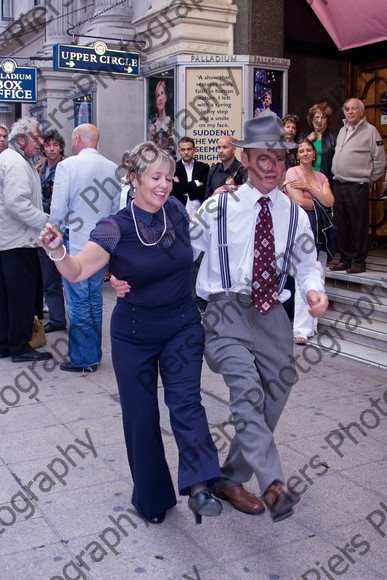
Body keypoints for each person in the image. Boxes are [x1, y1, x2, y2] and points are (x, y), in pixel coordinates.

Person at [40, 141, 222, 525]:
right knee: (140, 416)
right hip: (134, 332)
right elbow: (75, 271)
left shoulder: (175, 210)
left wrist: (219, 197)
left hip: (182, 325)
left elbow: (197, 240)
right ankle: (152, 499)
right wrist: (58, 250)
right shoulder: (114, 227)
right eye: (155, 177)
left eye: (169, 177)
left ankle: (201, 485)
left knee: (187, 403)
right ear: (135, 178)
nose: (165, 185)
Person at [191, 115, 328, 522]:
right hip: (226, 310)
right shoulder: (220, 205)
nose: (270, 165)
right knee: (247, 391)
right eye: (262, 157)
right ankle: (273, 483)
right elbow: (179, 245)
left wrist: (313, 289)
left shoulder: (293, 213)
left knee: (275, 395)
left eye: (278, 157)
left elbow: (306, 264)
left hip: (272, 315)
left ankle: (230, 478)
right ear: (246, 158)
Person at [49, 123, 121, 372]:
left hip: (76, 243)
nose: (71, 143)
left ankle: (82, 359)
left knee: (78, 302)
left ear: (78, 139)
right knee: (94, 300)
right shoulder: (112, 168)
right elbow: (115, 211)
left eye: (72, 138)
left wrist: (52, 236)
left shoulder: (67, 166)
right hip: (101, 243)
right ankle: (94, 355)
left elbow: (58, 208)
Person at [0, 117, 53, 363]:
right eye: (37, 137)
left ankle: (6, 344)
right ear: (21, 140)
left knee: (7, 298)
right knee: (21, 298)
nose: (40, 142)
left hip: (10, 242)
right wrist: (45, 220)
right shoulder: (16, 163)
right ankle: (20, 347)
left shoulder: (15, 160)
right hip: (18, 243)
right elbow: (16, 203)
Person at [283, 138, 335, 344]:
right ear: (297, 155)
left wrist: (308, 187)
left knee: (318, 276)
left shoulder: (321, 176)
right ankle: (302, 329)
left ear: (314, 154)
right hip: (301, 231)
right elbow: (298, 202)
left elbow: (331, 201)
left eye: (308, 150)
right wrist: (318, 197)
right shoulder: (292, 173)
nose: (305, 153)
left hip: (321, 232)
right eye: (301, 151)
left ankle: (313, 325)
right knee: (302, 276)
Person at [330, 98, 386, 274]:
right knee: (342, 223)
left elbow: (380, 161)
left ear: (362, 112)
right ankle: (345, 259)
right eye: (347, 109)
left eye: (354, 109)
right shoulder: (341, 130)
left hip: (357, 185)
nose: (350, 112)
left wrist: (367, 178)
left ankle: (359, 261)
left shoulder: (371, 132)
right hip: (339, 183)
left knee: (358, 224)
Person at [38, 130, 67, 333]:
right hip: (43, 227)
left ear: (61, 147)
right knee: (49, 277)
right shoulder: (40, 168)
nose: (51, 149)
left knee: (67, 274)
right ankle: (57, 318)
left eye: (55, 145)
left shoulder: (65, 168)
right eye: (48, 145)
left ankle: (70, 316)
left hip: (61, 228)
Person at [300, 102, 336, 187]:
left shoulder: (334, 137)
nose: (319, 121)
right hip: (304, 179)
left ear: (328, 120)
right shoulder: (303, 135)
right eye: (316, 117)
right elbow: (295, 153)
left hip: (324, 181)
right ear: (311, 119)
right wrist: (307, 140)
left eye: (323, 117)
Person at [172, 137, 209, 216]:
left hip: (200, 211)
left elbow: (205, 190)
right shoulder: (173, 168)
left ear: (194, 150)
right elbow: (174, 190)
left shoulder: (203, 167)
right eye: (183, 150)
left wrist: (182, 187)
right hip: (179, 212)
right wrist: (196, 183)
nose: (186, 152)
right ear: (179, 151)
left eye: (189, 149)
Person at [147, 80, 175, 153]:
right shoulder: (152, 127)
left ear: (165, 97)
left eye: (162, 93)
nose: (160, 99)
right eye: (157, 95)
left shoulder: (172, 125)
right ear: (156, 101)